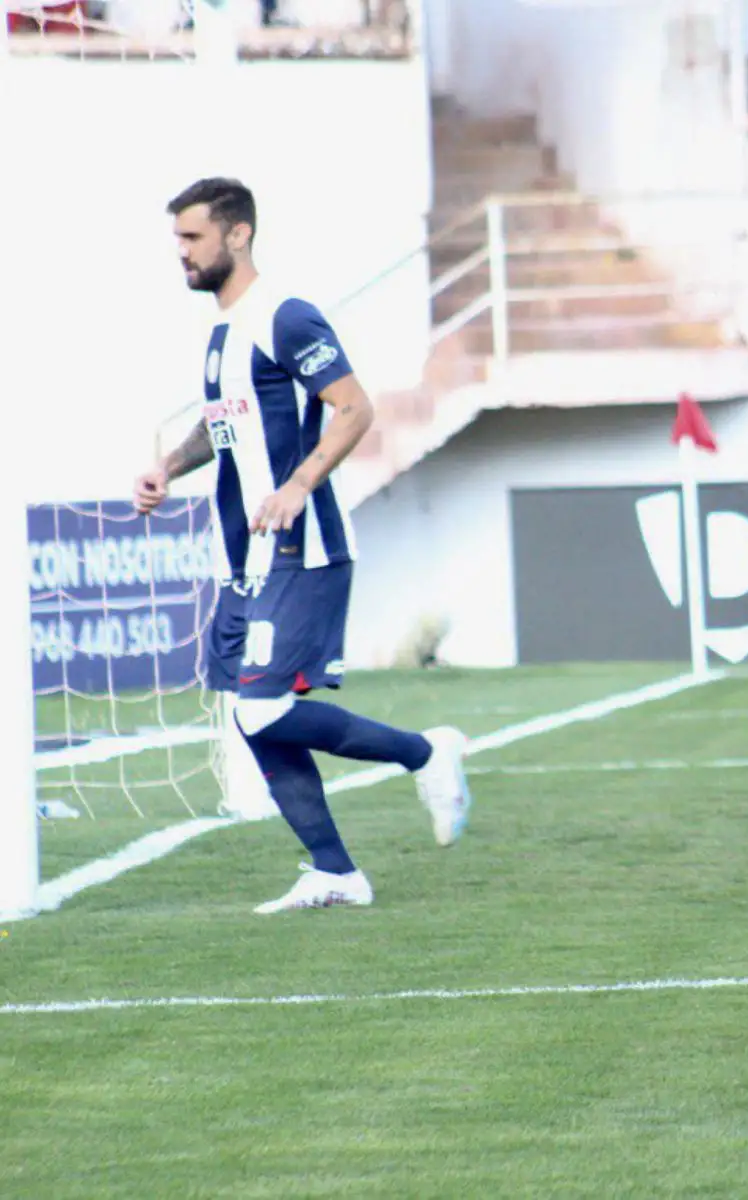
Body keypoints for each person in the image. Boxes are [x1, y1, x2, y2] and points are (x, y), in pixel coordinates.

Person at [135, 177, 472, 914]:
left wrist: (295, 488)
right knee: (249, 714)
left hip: (301, 547)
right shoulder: (220, 333)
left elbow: (353, 407)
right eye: (178, 242)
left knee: (262, 710)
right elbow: (222, 426)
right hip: (243, 558)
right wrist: (169, 466)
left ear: (238, 234)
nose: (182, 255)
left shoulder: (285, 317)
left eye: (192, 239)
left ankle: (426, 752)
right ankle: (335, 870)